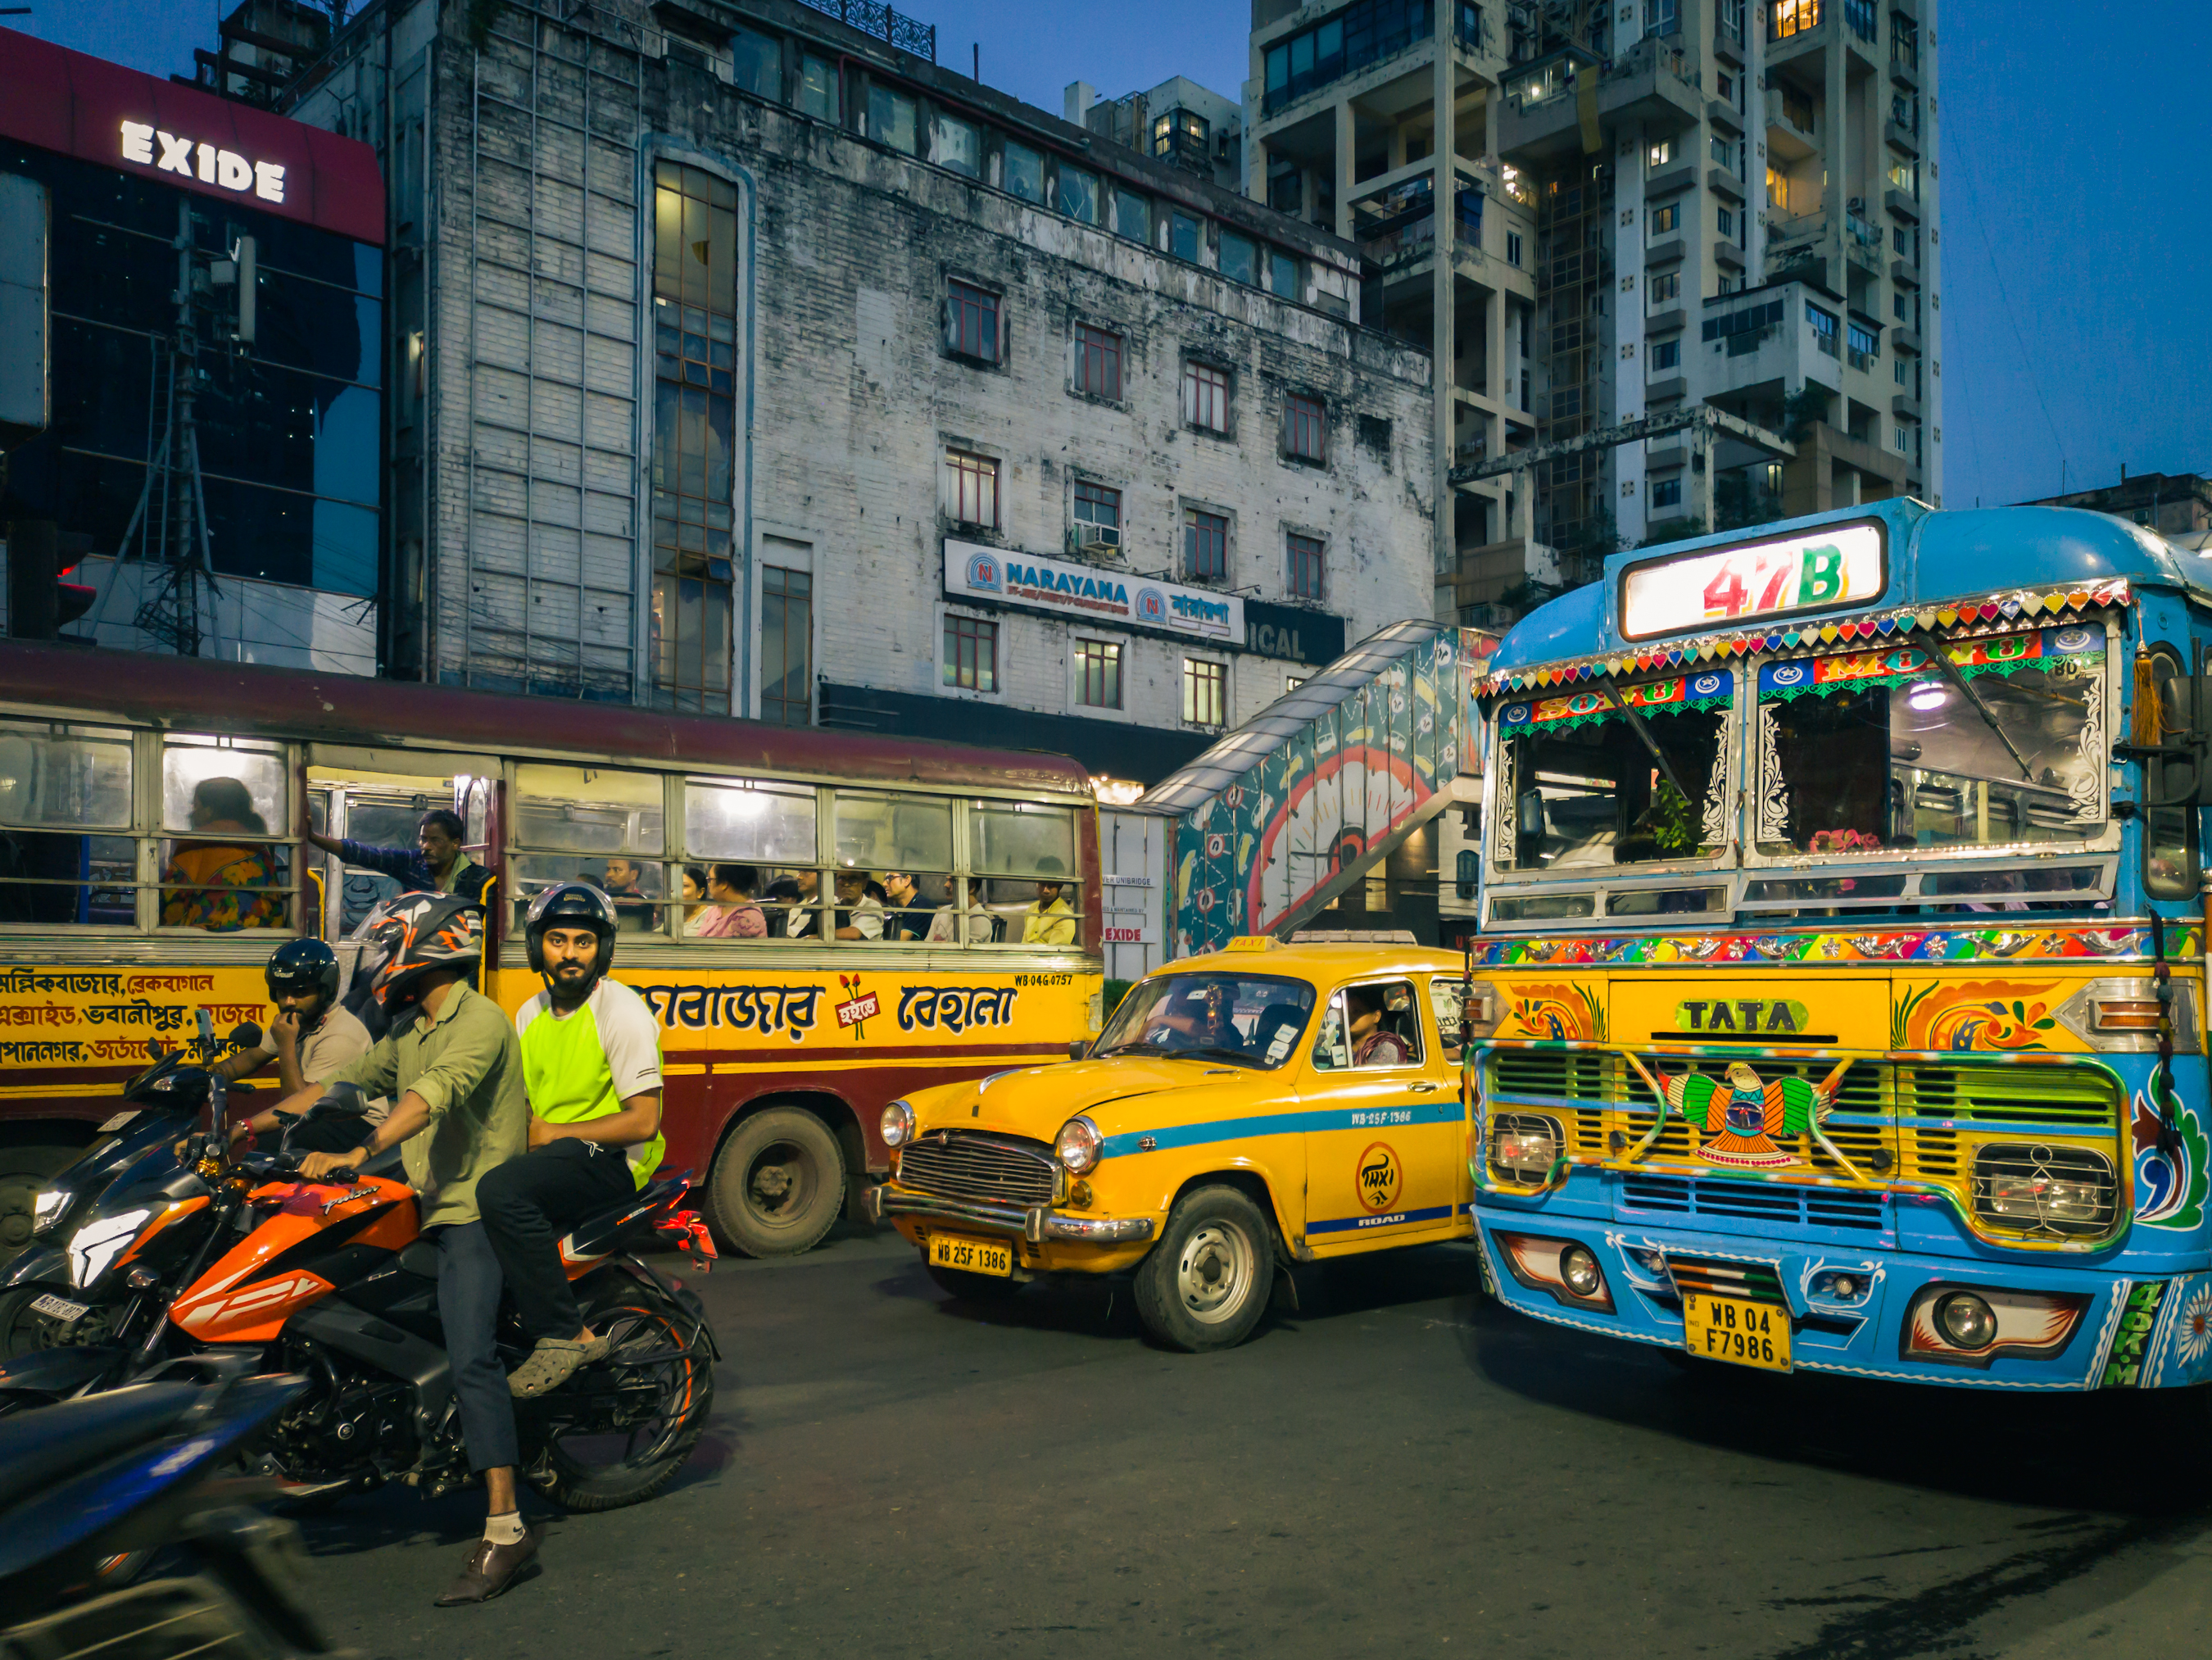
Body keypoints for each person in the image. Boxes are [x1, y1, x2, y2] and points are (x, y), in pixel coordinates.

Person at [271, 892, 536, 1606]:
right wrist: (246, 1131)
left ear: (422, 948)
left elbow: (431, 1096)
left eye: (387, 947)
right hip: (429, 1204)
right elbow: (347, 1082)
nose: (377, 962)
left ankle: (507, 1529)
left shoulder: (478, 1021)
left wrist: (360, 1148)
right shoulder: (414, 1024)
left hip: (478, 1209)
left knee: (470, 1352)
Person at [479, 885, 664, 1400]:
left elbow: (643, 1121)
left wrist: (550, 1133)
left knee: (502, 1194)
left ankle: (564, 1334)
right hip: (556, 1153)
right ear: (538, 947)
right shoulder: (529, 1013)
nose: (570, 953)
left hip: (612, 1159)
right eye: (557, 940)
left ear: (602, 951)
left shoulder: (621, 1012)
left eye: (584, 942)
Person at [215, 939, 383, 1153]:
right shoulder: (296, 1022)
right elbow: (249, 1059)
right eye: (282, 993)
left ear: (325, 991)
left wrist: (286, 1045)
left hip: (361, 1126)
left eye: (301, 993)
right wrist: (210, 1075)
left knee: (276, 1143)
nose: (289, 1002)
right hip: (323, 1117)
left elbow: (298, 1106)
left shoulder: (340, 1034)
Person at [161, 777, 286, 930]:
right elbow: (274, 909)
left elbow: (173, 901)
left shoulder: (193, 844)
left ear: (209, 810)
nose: (192, 813)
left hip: (200, 939)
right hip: (256, 937)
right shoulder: (258, 846)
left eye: (196, 806)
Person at [305, 807, 492, 906]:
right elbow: (363, 854)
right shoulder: (412, 863)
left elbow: (484, 929)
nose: (426, 847)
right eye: (423, 839)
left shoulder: (478, 878)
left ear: (455, 844)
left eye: (435, 840)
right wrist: (313, 837)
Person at [693, 864, 767, 939]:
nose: (709, 884)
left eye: (710, 880)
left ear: (724, 884)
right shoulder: (716, 909)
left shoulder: (747, 918)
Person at [1346, 983, 1412, 1067]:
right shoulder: (1343, 1044)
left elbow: (1371, 1078)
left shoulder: (1386, 1048)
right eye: (1347, 1012)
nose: (1349, 1017)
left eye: (1357, 1011)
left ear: (1376, 1017)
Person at [1021, 856, 1076, 946]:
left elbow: (1055, 954)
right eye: (1042, 884)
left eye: (1051, 885)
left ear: (1060, 886)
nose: (1046, 890)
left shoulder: (1064, 916)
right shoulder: (1031, 909)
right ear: (1037, 883)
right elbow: (1024, 944)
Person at [597, 856, 659, 932]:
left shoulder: (642, 904)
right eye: (608, 870)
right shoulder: (600, 898)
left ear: (634, 874)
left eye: (617, 870)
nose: (609, 875)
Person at [926, 878, 994, 944]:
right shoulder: (942, 912)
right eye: (947, 880)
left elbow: (962, 953)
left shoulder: (980, 920)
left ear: (971, 887)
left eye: (953, 881)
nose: (946, 885)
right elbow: (927, 945)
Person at [878, 871, 933, 941]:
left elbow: (899, 944)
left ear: (906, 880)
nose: (884, 884)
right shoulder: (902, 910)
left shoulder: (923, 905)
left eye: (890, 878)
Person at [835, 869, 886, 940]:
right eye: (841, 879)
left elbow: (854, 934)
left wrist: (818, 937)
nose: (846, 884)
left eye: (853, 880)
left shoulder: (872, 906)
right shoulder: (834, 905)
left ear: (864, 884)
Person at [678, 866, 710, 934]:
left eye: (684, 886)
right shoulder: (676, 914)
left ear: (700, 892)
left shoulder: (709, 915)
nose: (677, 890)